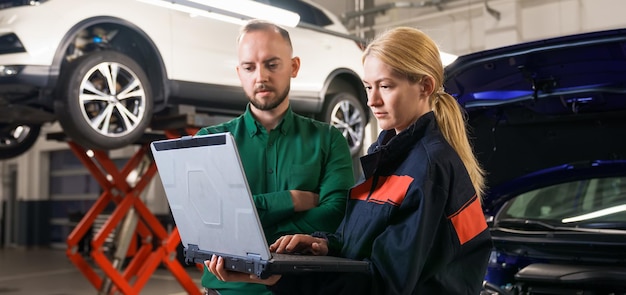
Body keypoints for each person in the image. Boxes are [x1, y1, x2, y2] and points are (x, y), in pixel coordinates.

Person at [205, 26, 493, 294]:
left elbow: (383, 283)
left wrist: (280, 276)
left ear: (425, 86)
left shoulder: (429, 168)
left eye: (386, 86)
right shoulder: (386, 157)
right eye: (368, 87)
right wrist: (324, 244)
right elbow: (360, 240)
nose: (371, 101)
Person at [195, 19, 355, 295]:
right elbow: (208, 221)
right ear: (239, 72)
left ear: (293, 66)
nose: (261, 77)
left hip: (304, 290)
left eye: (272, 64)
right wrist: (291, 200)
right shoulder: (209, 142)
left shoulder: (329, 139)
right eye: (249, 67)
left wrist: (244, 227)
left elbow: (335, 215)